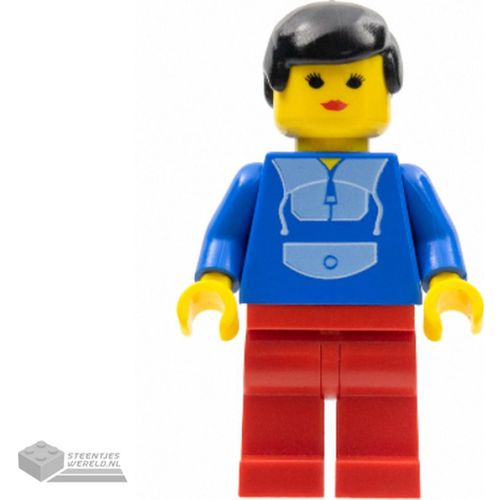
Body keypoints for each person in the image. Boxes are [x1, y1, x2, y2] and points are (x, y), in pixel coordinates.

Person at [177, 2, 483, 498]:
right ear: (274, 90)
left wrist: (447, 282)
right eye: (314, 81)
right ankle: (279, 480)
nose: (335, 94)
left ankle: (379, 479)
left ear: (387, 87)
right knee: (277, 424)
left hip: (382, 324)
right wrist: (213, 283)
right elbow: (226, 236)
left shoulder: (403, 179)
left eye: (356, 81)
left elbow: (434, 237)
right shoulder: (259, 180)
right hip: (279, 322)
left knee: (382, 426)